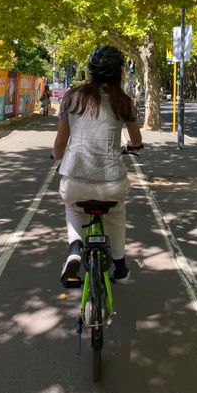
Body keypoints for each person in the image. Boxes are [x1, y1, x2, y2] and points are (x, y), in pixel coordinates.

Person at [52, 46, 143, 287]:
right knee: (116, 214)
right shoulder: (124, 102)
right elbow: (136, 141)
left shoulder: (71, 98)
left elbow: (59, 144)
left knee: (72, 208)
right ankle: (121, 267)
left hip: (76, 180)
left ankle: (74, 249)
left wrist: (56, 155)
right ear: (118, 72)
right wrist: (133, 147)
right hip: (112, 184)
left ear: (91, 70)